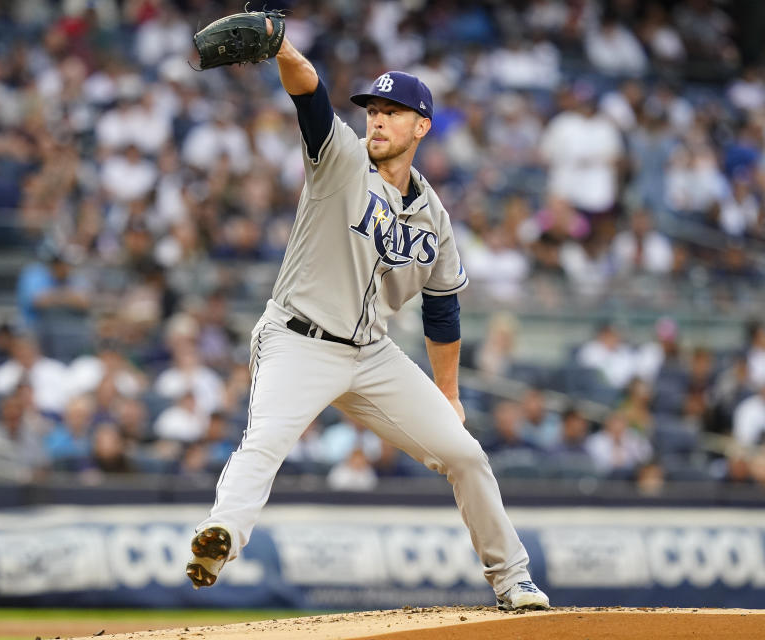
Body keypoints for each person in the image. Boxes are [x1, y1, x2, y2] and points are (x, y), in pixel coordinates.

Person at [186, 13, 549, 611]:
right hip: (298, 339)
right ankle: (219, 538)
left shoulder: (433, 216)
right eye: (373, 110)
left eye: (392, 111)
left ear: (422, 126)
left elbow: (442, 310)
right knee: (266, 441)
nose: (377, 118)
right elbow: (310, 92)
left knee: (465, 454)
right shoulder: (341, 159)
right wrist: (282, 48)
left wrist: (450, 394)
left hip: (373, 353)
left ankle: (513, 579)